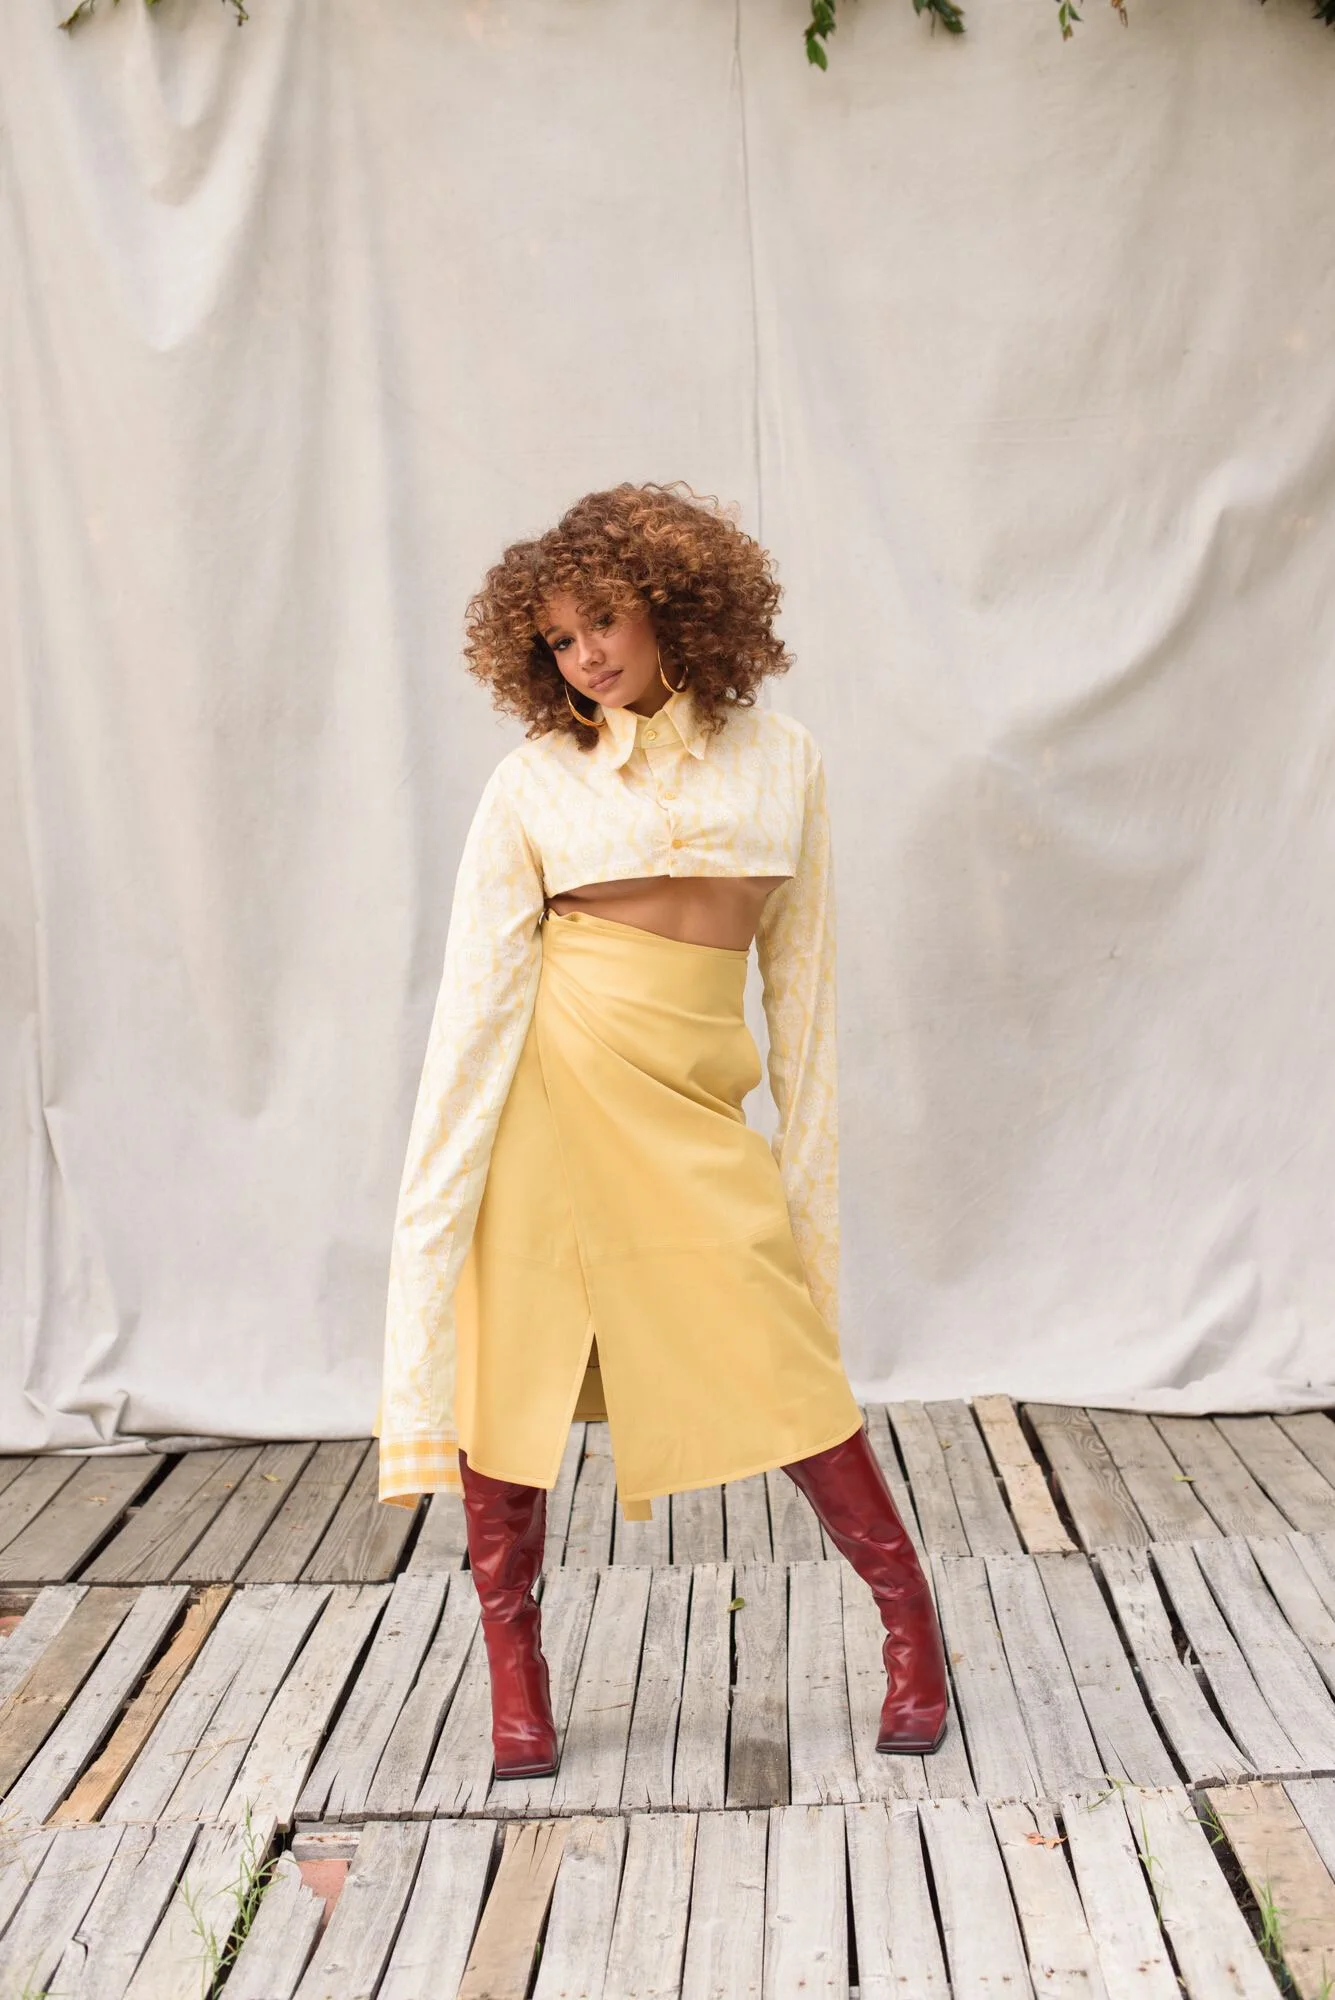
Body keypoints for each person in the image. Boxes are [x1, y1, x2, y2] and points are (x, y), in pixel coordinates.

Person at [374, 481, 949, 1779]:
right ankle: (513, 1675)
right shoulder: (531, 785)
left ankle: (910, 1622)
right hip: (549, 1109)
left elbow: (801, 1009)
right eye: (559, 642)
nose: (586, 656)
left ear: (678, 605)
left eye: (603, 623)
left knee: (784, 1364)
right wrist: (434, 1220)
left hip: (689, 1115)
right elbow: (471, 1010)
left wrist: (807, 1218)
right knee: (509, 1392)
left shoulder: (784, 760)